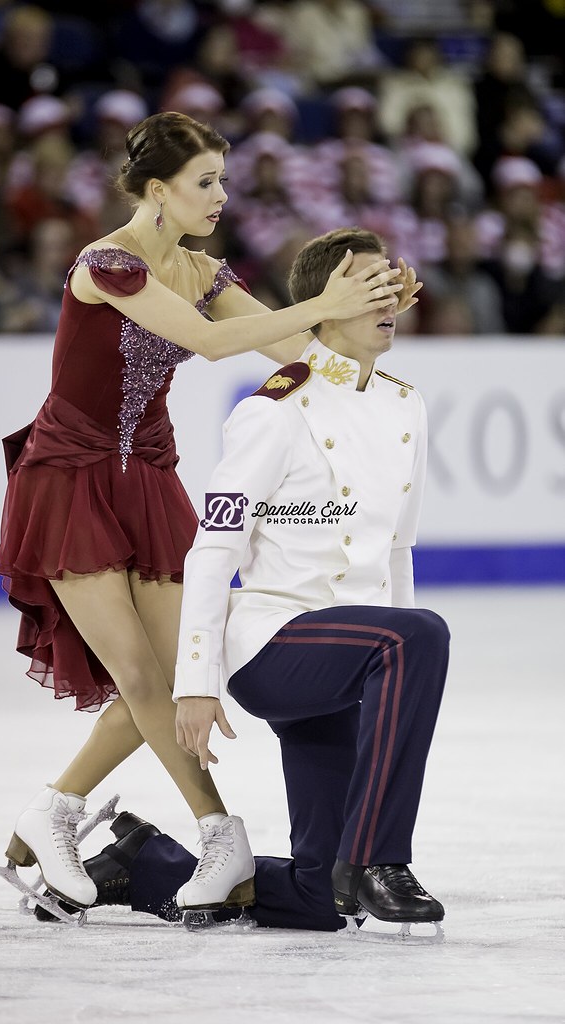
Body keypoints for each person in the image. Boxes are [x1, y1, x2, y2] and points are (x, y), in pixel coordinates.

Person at [0, 113, 407, 919]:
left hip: (145, 479)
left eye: (222, 179)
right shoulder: (105, 266)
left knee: (183, 667)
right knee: (146, 676)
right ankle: (220, 831)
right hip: (70, 478)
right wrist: (323, 301)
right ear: (157, 191)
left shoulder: (203, 271)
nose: (220, 196)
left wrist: (368, 323)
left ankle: (53, 810)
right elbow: (213, 346)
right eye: (205, 182)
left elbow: (291, 355)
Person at [65, 226, 450, 935]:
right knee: (421, 634)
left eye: (390, 286)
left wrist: (389, 676)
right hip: (274, 644)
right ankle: (379, 860)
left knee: (320, 900)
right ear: (324, 302)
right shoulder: (276, 406)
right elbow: (212, 551)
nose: (388, 299)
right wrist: (197, 683)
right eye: (368, 286)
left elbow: (399, 548)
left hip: (356, 650)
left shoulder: (405, 404)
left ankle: (144, 865)